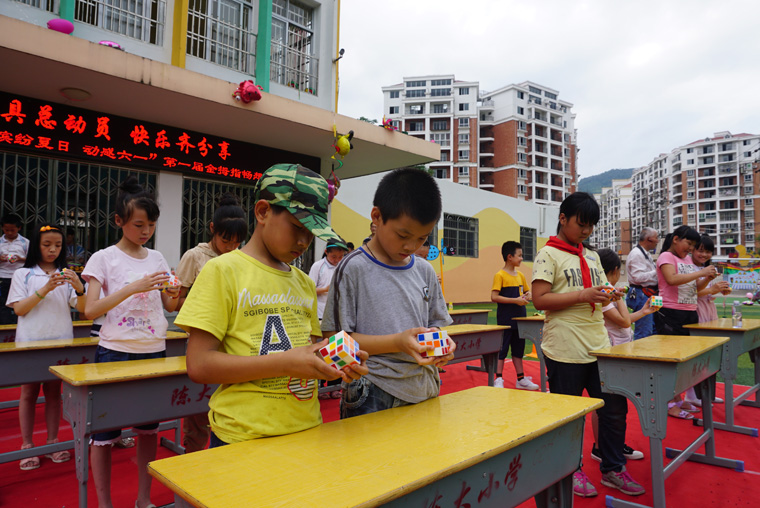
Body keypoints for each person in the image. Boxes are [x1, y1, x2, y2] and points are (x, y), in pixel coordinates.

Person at [175, 163, 368, 448]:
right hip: (242, 436)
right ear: (263, 211)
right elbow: (199, 364)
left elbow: (310, 350)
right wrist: (283, 363)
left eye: (311, 233)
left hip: (306, 429)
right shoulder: (222, 271)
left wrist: (336, 361)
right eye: (297, 228)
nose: (304, 241)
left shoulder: (303, 282)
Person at [532, 192, 644, 498]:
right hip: (565, 346)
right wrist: (583, 295)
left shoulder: (592, 256)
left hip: (599, 344)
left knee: (613, 410)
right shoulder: (548, 255)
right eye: (582, 224)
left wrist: (609, 295)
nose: (587, 231)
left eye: (592, 225)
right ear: (563, 218)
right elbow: (540, 300)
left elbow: (597, 290)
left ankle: (613, 468)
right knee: (569, 415)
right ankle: (571, 469)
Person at [321, 168, 455, 419]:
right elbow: (334, 338)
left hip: (423, 386)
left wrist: (441, 344)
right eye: (403, 235)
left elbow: (436, 324)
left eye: (421, 238)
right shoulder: (353, 268)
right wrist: (396, 343)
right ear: (377, 216)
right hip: (372, 389)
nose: (411, 246)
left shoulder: (424, 270)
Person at [81, 177, 181, 508]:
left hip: (153, 351)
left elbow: (168, 307)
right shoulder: (103, 258)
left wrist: (173, 294)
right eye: (139, 224)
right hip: (114, 352)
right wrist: (131, 288)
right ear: (119, 221)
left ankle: (143, 498)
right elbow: (89, 310)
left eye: (151, 225)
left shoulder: (157, 258)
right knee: (104, 435)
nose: (146, 231)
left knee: (148, 431)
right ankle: (105, 504)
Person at [6, 223, 85, 470]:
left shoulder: (66, 273)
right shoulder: (23, 273)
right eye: (47, 245)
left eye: (58, 245)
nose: (52, 250)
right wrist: (46, 288)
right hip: (30, 342)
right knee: (28, 393)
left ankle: (53, 441)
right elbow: (19, 308)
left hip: (60, 341)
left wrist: (80, 287)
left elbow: (82, 308)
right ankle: (27, 445)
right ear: (36, 246)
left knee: (54, 394)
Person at [174, 193, 248, 453]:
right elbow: (175, 303)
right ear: (212, 230)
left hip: (235, 344)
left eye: (237, 242)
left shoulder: (242, 258)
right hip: (203, 342)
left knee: (230, 407)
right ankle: (193, 458)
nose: (230, 247)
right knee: (197, 412)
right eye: (225, 240)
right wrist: (206, 303)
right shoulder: (195, 257)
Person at [589, 248, 654, 464]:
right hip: (609, 352)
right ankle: (600, 448)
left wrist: (644, 311)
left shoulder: (610, 293)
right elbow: (624, 321)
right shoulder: (604, 294)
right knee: (605, 404)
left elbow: (623, 321)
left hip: (619, 350)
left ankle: (614, 445)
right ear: (615, 270)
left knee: (617, 403)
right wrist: (620, 298)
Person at [654, 225, 717, 420]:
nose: (690, 249)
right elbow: (672, 280)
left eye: (692, 245)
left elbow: (694, 288)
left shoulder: (687, 259)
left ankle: (679, 399)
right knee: (671, 361)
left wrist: (707, 278)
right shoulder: (666, 257)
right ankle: (670, 403)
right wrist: (700, 273)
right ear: (676, 239)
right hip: (671, 314)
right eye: (688, 244)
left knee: (685, 361)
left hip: (689, 313)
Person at [685, 234, 730, 407]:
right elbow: (690, 293)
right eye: (700, 251)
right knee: (697, 353)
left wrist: (718, 290)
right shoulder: (689, 268)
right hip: (696, 310)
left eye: (708, 252)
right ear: (693, 250)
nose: (703, 255)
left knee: (711, 353)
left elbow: (708, 291)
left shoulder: (706, 267)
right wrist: (712, 289)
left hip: (708, 310)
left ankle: (708, 393)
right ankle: (692, 394)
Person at [490, 241, 538, 390]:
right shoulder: (500, 275)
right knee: (502, 350)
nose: (522, 258)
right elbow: (494, 296)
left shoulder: (521, 275)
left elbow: (527, 291)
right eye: (520, 255)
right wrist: (515, 301)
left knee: (518, 350)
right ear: (509, 257)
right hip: (505, 320)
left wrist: (527, 295)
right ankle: (498, 379)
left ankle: (520, 379)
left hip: (520, 320)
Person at [308, 240, 348, 400]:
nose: (337, 260)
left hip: (337, 314)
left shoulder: (343, 266)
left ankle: (336, 385)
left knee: (337, 349)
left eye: (340, 256)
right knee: (321, 350)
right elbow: (309, 289)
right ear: (326, 252)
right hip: (320, 313)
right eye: (333, 256)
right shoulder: (318, 266)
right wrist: (325, 289)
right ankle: (322, 386)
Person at [626, 227, 659, 340]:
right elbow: (637, 277)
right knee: (644, 332)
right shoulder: (637, 254)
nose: (658, 241)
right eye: (656, 238)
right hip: (642, 293)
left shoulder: (644, 253)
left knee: (652, 329)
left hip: (647, 294)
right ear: (649, 239)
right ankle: (641, 356)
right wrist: (657, 271)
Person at [0, 213, 29, 324]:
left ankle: (20, 325)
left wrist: (21, 259)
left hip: (20, 277)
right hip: (3, 277)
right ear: (2, 228)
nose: (10, 233)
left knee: (20, 301)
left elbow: (33, 259)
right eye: (7, 230)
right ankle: (5, 327)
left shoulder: (25, 242)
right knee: (3, 303)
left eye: (13, 230)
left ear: (19, 228)